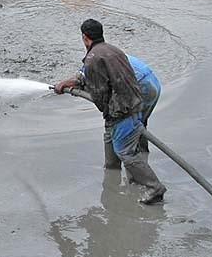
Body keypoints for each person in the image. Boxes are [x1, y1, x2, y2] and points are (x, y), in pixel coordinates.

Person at [53, 19, 167, 204]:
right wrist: (69, 84)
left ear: (84, 37)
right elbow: (88, 77)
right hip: (144, 90)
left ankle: (153, 186)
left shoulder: (93, 59)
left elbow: (100, 95)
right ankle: (116, 167)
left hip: (127, 104)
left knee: (125, 148)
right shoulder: (110, 50)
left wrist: (108, 112)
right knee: (124, 132)